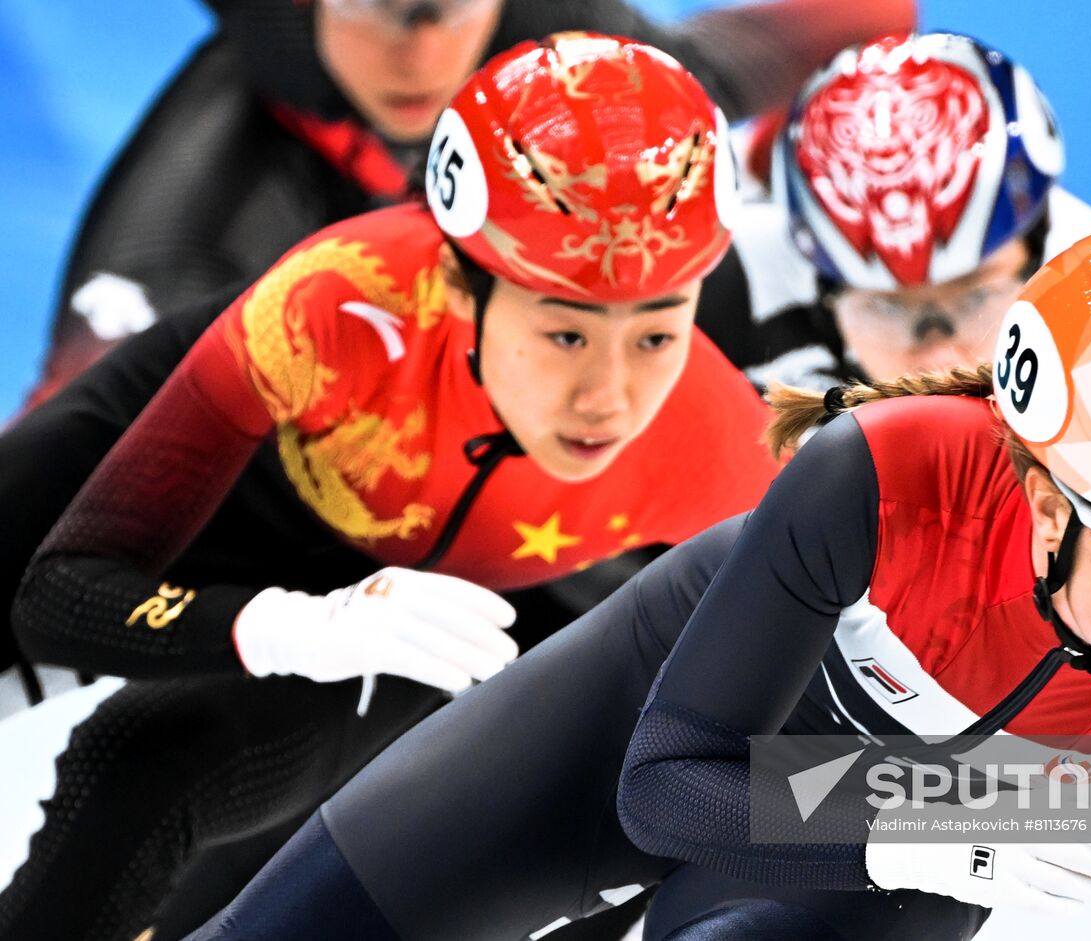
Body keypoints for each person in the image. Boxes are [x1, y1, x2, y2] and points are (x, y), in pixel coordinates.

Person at [182, 223, 1091, 940]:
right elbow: (665, 785)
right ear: (1045, 495)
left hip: (912, 832)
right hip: (700, 719)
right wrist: (940, 824)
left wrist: (983, 818)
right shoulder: (884, 473)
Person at [1, 35, 781, 941]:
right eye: (567, 335)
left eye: (657, 336)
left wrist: (979, 819)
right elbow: (57, 591)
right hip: (229, 487)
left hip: (418, 605)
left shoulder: (722, 444)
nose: (610, 398)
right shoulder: (336, 304)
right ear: (458, 285)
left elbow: (884, 730)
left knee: (141, 769)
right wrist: (291, 624)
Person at [27, 0, 914, 408]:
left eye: (447, 11)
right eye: (379, 9)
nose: (416, 57)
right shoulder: (192, 207)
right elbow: (64, 442)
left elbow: (854, 21)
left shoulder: (568, 42)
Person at [700, 32, 1091, 389]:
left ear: (1040, 248)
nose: (938, 363)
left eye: (974, 296)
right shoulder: (729, 290)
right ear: (823, 287)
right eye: (887, 305)